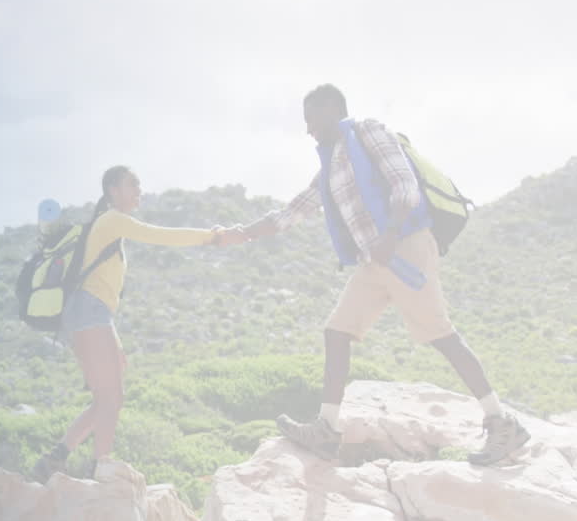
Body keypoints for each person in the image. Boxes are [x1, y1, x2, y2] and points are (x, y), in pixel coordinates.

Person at [217, 84, 529, 465]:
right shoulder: (330, 166)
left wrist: (392, 234)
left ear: (331, 109)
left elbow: (405, 185)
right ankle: (326, 430)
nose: (308, 130)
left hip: (406, 247)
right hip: (374, 261)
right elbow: (292, 212)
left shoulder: (369, 133)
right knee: (337, 331)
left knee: (441, 335)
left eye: (311, 119)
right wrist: (242, 233)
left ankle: (502, 422)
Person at [32, 166, 235, 482]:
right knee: (112, 398)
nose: (139, 189)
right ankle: (101, 467)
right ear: (113, 189)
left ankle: (55, 459)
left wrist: (116, 343)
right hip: (88, 312)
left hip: (90, 315)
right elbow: (160, 235)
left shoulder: (110, 225)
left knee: (105, 398)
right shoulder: (113, 220)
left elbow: (102, 294)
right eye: (133, 184)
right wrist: (211, 237)